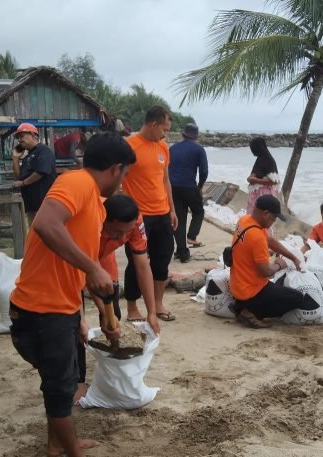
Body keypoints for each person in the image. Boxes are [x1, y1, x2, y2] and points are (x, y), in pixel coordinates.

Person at [9, 132, 134, 457]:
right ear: (116, 169)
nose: (122, 183)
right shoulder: (78, 183)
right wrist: (93, 269)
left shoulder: (93, 201)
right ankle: (70, 452)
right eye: (125, 175)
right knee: (61, 388)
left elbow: (75, 271)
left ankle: (57, 444)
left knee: (60, 386)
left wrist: (91, 317)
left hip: (59, 309)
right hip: (41, 311)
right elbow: (46, 224)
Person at [74, 194, 161, 404]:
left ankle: (114, 379)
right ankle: (77, 383)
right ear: (105, 219)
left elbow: (142, 265)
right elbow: (83, 275)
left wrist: (151, 311)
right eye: (116, 231)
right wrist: (86, 317)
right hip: (72, 262)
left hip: (103, 259)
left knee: (115, 317)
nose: (121, 236)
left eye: (126, 232)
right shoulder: (88, 224)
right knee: (74, 325)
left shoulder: (135, 222)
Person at [122, 105, 178, 322]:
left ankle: (158, 304)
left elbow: (165, 180)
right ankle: (132, 308)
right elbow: (118, 177)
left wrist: (172, 209)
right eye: (164, 128)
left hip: (162, 213)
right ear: (153, 124)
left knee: (162, 259)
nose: (165, 134)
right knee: (136, 261)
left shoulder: (163, 147)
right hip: (138, 217)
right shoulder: (129, 146)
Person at [230, 195, 319, 328]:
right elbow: (266, 272)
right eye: (274, 218)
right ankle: (248, 311)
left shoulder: (245, 221)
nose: (274, 221)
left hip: (238, 286)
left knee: (280, 289)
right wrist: (279, 264)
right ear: (265, 213)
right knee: (296, 298)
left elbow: (270, 241)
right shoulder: (257, 237)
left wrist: (293, 257)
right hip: (251, 291)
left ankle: (241, 305)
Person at [169, 122, 208, 263]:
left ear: (183, 134)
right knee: (198, 212)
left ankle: (181, 252)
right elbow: (204, 171)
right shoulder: (199, 149)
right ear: (196, 136)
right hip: (190, 187)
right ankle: (192, 236)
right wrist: (200, 186)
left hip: (173, 188)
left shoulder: (172, 149)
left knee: (179, 219)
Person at [11, 122, 57, 226]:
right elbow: (18, 178)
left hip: (44, 204)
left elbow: (41, 172)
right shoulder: (28, 156)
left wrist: (23, 183)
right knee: (34, 233)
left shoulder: (43, 151)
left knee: (44, 233)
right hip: (31, 205)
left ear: (32, 135)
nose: (19, 140)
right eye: (18, 137)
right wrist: (15, 159)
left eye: (22, 136)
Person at [246, 137, 280, 217]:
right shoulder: (260, 158)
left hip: (264, 195)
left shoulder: (268, 159)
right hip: (257, 194)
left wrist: (256, 180)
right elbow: (255, 174)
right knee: (253, 217)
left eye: (252, 148)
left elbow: (274, 181)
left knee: (259, 218)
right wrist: (250, 179)